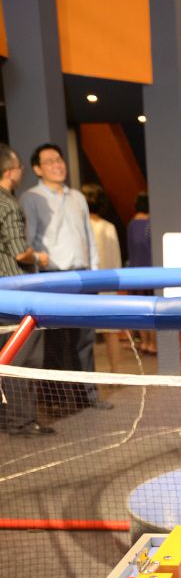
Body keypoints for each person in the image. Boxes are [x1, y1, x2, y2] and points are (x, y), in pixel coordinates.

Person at [20, 143, 111, 409]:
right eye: (50, 161)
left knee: (85, 339)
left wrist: (94, 272)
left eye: (59, 160)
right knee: (56, 340)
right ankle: (56, 399)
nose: (58, 165)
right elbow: (29, 241)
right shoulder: (31, 198)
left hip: (83, 276)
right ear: (37, 169)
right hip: (52, 278)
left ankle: (88, 396)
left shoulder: (78, 197)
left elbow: (88, 237)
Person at [0, 143, 54, 436]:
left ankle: (12, 419)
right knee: (23, 358)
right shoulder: (8, 204)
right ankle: (22, 422)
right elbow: (20, 253)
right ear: (10, 171)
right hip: (12, 292)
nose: (21, 171)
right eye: (19, 166)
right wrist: (40, 257)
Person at [82, 183, 123, 374]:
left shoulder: (82, 228)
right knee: (111, 332)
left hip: (86, 285)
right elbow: (116, 259)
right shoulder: (109, 227)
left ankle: (91, 375)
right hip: (108, 282)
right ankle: (115, 373)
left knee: (85, 334)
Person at [126, 192, 155, 354]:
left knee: (140, 309)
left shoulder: (131, 224)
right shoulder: (150, 224)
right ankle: (153, 343)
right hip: (150, 271)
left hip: (135, 271)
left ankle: (144, 342)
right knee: (152, 308)